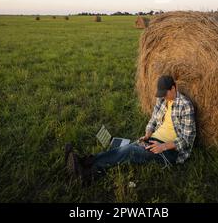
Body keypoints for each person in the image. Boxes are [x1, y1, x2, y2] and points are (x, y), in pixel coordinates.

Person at [65, 75, 196, 184]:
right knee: (123, 150)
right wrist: (147, 134)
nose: (163, 97)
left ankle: (87, 173)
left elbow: (187, 140)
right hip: (153, 140)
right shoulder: (162, 100)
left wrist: (163, 146)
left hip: (170, 152)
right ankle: (86, 162)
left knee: (129, 150)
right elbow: (153, 120)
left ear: (173, 88)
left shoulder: (185, 106)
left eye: (165, 93)